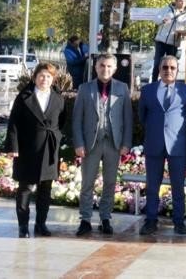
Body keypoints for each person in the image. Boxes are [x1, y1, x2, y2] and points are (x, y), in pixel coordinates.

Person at [72, 53, 133, 237]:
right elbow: (77, 120)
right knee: (87, 182)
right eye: (102, 66)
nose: (105, 69)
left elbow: (127, 119)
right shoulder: (85, 89)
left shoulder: (122, 89)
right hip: (91, 143)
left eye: (108, 66)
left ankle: (105, 218)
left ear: (114, 69)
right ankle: (85, 219)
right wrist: (79, 143)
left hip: (113, 143)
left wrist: (126, 143)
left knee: (110, 182)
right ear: (96, 67)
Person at [4, 63, 67, 238]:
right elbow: (14, 123)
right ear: (35, 77)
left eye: (48, 76)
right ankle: (23, 226)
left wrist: (57, 137)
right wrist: (13, 147)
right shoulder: (24, 97)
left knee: (45, 189)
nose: (44, 79)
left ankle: (41, 224)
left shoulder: (58, 98)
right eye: (41, 75)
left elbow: (62, 121)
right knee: (25, 188)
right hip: (27, 148)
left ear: (53, 79)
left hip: (49, 148)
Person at [138, 55, 186, 236]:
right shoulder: (148, 90)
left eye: (172, 68)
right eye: (165, 67)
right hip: (154, 144)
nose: (168, 71)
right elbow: (142, 116)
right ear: (159, 69)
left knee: (178, 186)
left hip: (177, 145)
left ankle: (179, 222)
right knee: (152, 186)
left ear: (177, 70)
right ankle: (150, 221)